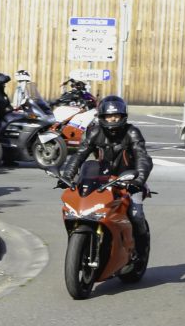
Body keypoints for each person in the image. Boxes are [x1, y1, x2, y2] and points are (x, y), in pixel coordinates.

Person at [64, 94, 153, 258]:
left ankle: (141, 251)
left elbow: (143, 158)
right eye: (109, 116)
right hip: (101, 179)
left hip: (129, 179)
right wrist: (68, 175)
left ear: (123, 116)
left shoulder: (132, 132)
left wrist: (139, 180)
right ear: (102, 117)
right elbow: (79, 155)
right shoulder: (94, 132)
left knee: (136, 214)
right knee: (85, 210)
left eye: (116, 115)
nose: (112, 119)